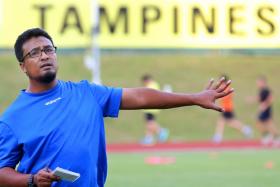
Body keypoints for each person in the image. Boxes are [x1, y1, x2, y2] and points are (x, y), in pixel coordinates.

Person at [0, 28, 233, 187]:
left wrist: (193, 97)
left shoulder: (86, 93)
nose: (44, 56)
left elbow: (140, 97)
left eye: (48, 49)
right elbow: (2, 173)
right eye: (34, 53)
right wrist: (31, 180)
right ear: (23, 66)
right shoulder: (13, 118)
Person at [212, 75, 252, 143]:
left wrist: (218, 97)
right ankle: (246, 129)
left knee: (222, 121)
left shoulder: (227, 88)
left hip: (227, 109)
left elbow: (225, 97)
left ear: (224, 82)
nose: (220, 83)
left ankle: (218, 137)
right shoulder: (223, 88)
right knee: (230, 122)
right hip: (225, 108)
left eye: (221, 81)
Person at [140, 74, 169, 145]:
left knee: (150, 123)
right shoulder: (154, 85)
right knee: (149, 123)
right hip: (151, 108)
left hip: (150, 108)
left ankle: (160, 132)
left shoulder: (151, 86)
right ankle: (149, 137)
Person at [256, 76, 280, 146]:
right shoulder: (261, 90)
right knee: (261, 123)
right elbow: (259, 98)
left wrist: (265, 105)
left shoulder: (267, 90)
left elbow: (271, 98)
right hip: (263, 109)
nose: (257, 84)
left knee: (269, 124)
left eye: (258, 82)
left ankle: (275, 137)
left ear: (263, 82)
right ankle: (269, 135)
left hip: (266, 110)